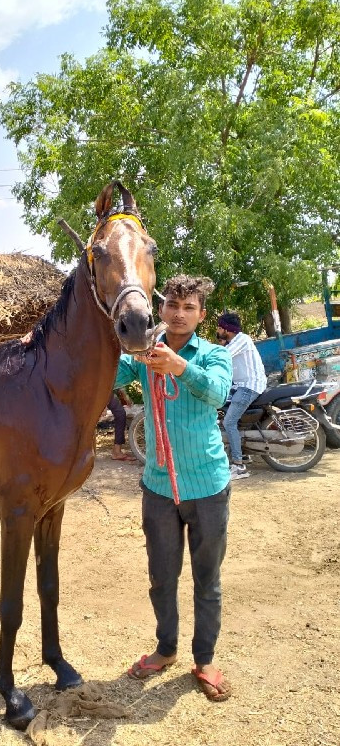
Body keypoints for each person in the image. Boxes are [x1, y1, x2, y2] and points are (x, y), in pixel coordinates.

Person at [114, 275, 233, 701]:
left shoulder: (216, 354)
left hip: (208, 487)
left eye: (189, 308)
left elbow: (218, 393)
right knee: (162, 578)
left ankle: (204, 660)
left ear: (201, 316)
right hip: (159, 488)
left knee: (208, 579)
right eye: (172, 306)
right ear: (160, 310)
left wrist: (180, 367)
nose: (178, 314)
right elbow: (107, 374)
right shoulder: (143, 355)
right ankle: (165, 650)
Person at [216, 311, 267, 480]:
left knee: (229, 421)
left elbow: (221, 357)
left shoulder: (241, 340)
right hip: (240, 386)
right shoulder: (233, 342)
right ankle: (242, 453)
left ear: (226, 329)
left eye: (219, 327)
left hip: (249, 387)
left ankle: (239, 465)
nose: (217, 329)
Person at [107, 390, 137, 462]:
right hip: (99, 390)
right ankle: (117, 452)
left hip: (105, 391)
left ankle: (117, 451)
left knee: (120, 413)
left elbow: (116, 382)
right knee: (120, 413)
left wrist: (125, 396)